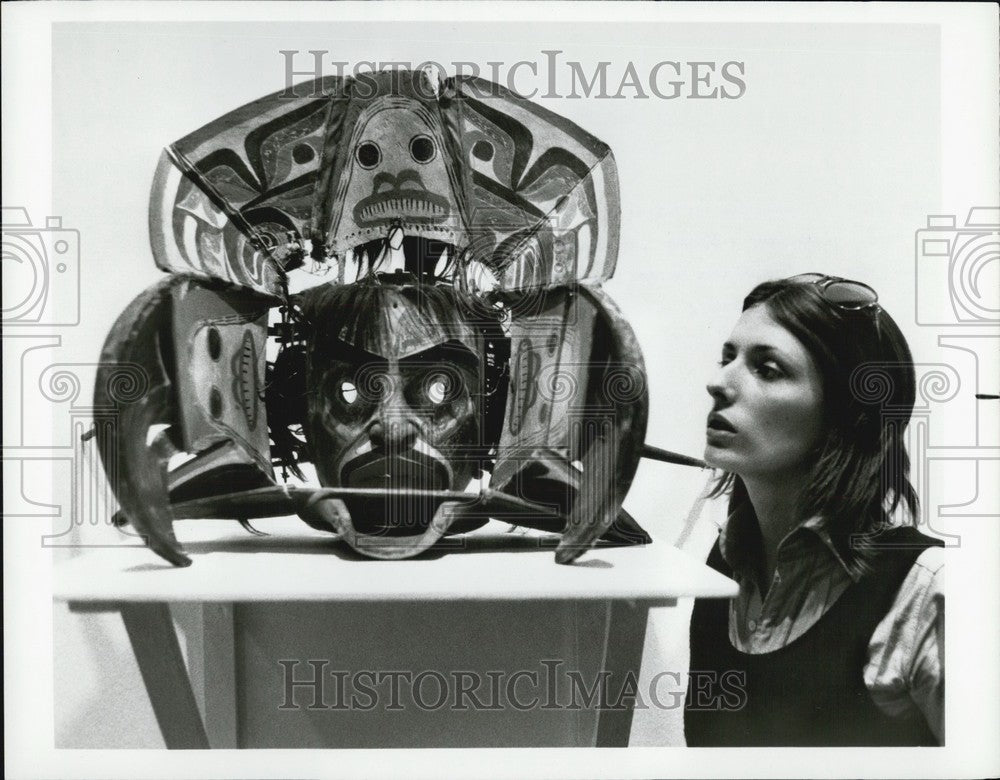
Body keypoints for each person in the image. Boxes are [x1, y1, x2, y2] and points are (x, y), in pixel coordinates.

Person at [684, 274, 943, 747]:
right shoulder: (724, 566)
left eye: (767, 369)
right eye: (728, 358)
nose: (717, 383)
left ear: (848, 413)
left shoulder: (926, 589)